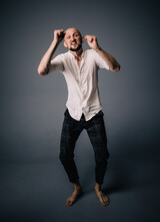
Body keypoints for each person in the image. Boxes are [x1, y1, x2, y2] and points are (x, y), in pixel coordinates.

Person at [37, 27, 120, 206]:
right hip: (72, 115)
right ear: (65, 43)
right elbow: (42, 70)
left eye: (75, 35)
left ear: (82, 39)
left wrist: (97, 48)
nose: (72, 38)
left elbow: (115, 67)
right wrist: (55, 42)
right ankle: (77, 187)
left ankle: (98, 187)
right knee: (65, 156)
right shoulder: (63, 59)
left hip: (94, 115)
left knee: (102, 155)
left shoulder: (93, 55)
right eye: (68, 37)